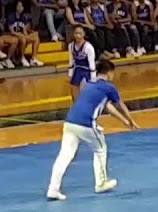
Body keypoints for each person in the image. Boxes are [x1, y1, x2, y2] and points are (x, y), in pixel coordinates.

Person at [47, 59, 138, 201]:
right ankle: (101, 183)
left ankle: (53, 188)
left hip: (70, 122)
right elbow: (120, 105)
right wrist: (131, 121)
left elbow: (108, 107)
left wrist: (125, 121)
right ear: (109, 73)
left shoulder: (90, 85)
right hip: (86, 124)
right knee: (100, 149)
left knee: (64, 156)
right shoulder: (109, 87)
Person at [67, 26, 97, 100]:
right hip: (77, 70)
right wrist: (70, 74)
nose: (78, 35)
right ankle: (76, 107)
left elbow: (92, 64)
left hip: (87, 71)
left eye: (80, 33)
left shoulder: (88, 47)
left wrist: (93, 79)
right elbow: (71, 61)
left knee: (84, 92)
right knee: (74, 91)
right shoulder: (71, 46)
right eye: (76, 33)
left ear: (84, 34)